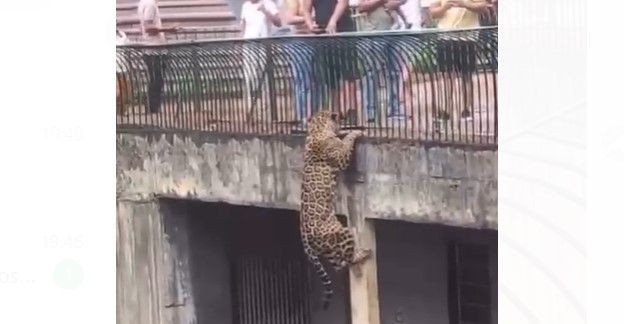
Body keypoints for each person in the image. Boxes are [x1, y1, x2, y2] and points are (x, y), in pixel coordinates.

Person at [427, 0, 488, 124]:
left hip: (468, 37)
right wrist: (445, 7)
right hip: (445, 37)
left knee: (467, 75)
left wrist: (464, 4)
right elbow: (433, 13)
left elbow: (483, 6)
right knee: (446, 75)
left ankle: (466, 110)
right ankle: (445, 111)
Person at [302, 0, 360, 123]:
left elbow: (343, 2)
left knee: (350, 73)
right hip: (323, 33)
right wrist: (310, 25)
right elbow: (306, 10)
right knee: (330, 76)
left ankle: (352, 112)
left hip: (344, 30)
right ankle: (336, 112)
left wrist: (333, 21)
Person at [357, 0, 407, 124]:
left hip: (393, 33)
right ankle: (371, 112)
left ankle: (394, 111)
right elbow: (361, 7)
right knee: (372, 73)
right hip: (373, 33)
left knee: (394, 72)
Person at [240, 0, 282, 116]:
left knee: (264, 76)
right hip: (248, 45)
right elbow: (243, 25)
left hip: (264, 45)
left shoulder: (268, 3)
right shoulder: (245, 6)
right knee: (249, 76)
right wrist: (240, 42)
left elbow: (278, 22)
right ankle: (250, 108)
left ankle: (266, 108)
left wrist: (265, 11)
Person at [137, 0, 179, 114]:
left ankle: (153, 107)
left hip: (151, 48)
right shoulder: (150, 4)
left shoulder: (143, 3)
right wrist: (168, 29)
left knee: (155, 79)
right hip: (154, 49)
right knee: (156, 79)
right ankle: (153, 108)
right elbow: (148, 28)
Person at [281, 0, 316, 132]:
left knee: (314, 83)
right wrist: (309, 18)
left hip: (313, 40)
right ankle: (303, 117)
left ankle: (312, 116)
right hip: (300, 42)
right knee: (303, 83)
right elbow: (289, 18)